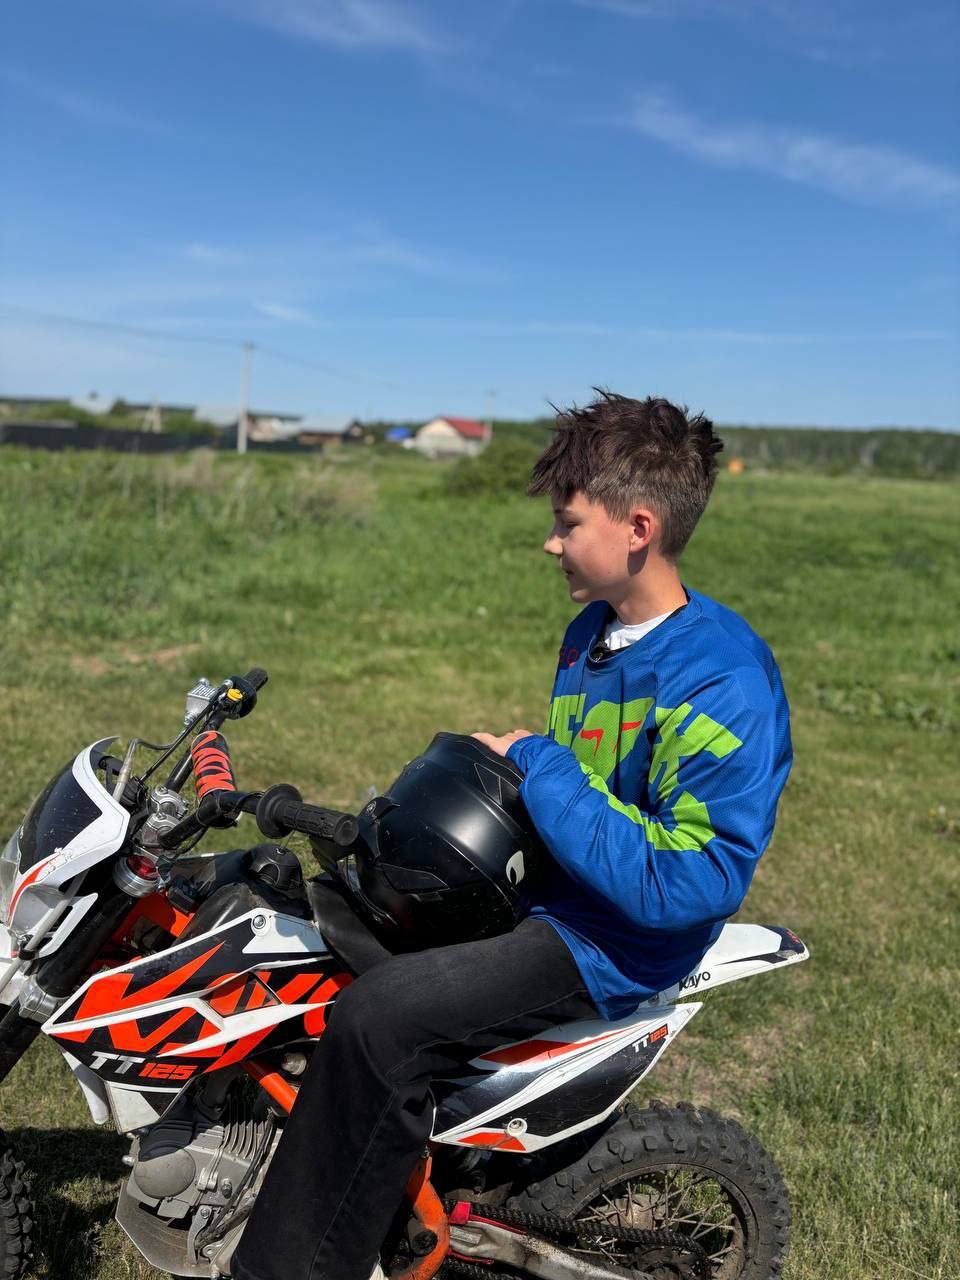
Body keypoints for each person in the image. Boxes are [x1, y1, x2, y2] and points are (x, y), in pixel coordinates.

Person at [229, 391, 791, 1280]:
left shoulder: (721, 678)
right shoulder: (592, 632)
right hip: (552, 888)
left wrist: (540, 763)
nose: (551, 543)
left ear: (638, 528)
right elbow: (582, 788)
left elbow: (689, 879)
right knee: (322, 911)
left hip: (612, 937)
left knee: (380, 1021)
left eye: (568, 524)